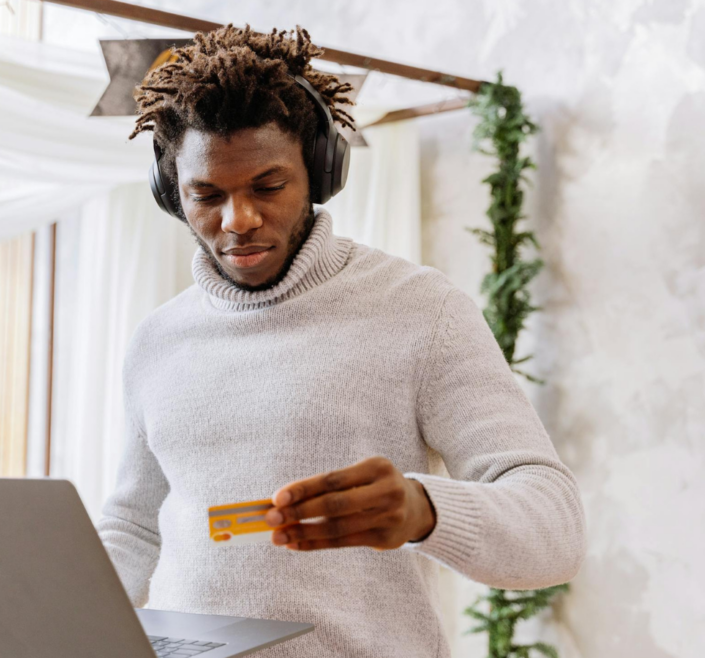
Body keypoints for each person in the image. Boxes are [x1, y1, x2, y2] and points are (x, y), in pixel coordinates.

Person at [96, 24, 586, 658]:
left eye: (268, 187)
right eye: (207, 196)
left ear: (322, 170)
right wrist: (46, 616)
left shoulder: (421, 310)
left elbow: (557, 530)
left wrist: (422, 509)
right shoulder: (157, 340)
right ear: (172, 195)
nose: (238, 221)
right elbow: (134, 527)